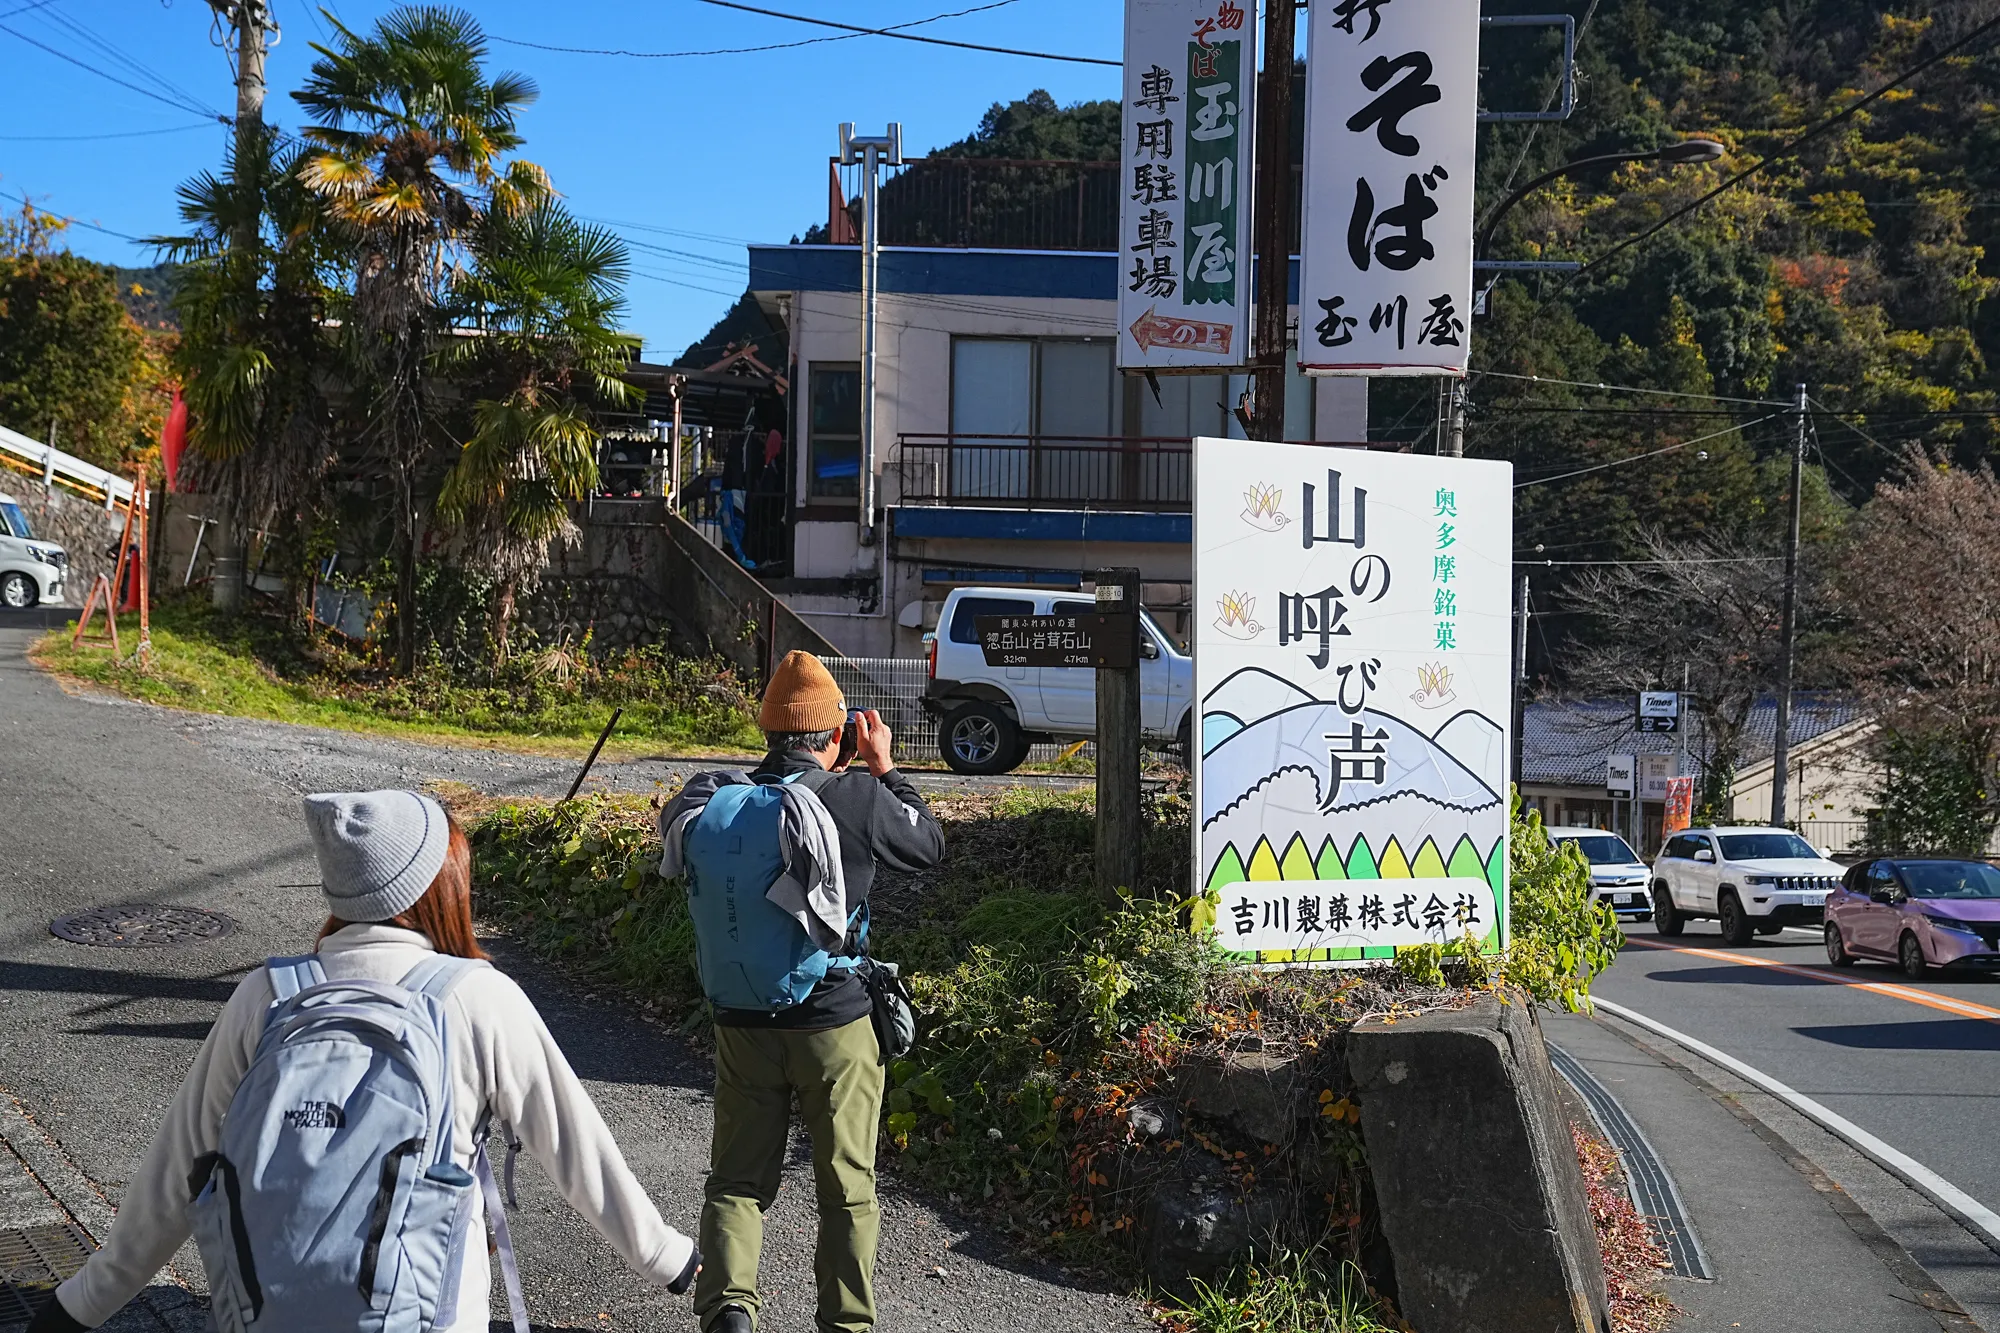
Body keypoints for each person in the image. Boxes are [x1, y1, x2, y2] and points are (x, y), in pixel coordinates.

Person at [29, 789, 699, 1333]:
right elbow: (579, 1154)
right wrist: (669, 1257)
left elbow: (179, 1171)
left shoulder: (266, 994)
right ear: (435, 888)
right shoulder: (477, 998)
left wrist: (81, 1302)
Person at [663, 651, 945, 1333]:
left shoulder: (718, 798)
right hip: (835, 1023)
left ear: (768, 731)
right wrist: (883, 765)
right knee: (847, 1189)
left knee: (735, 1181)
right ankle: (844, 1323)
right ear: (835, 734)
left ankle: (729, 1308)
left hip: (741, 1017)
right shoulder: (854, 796)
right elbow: (928, 843)